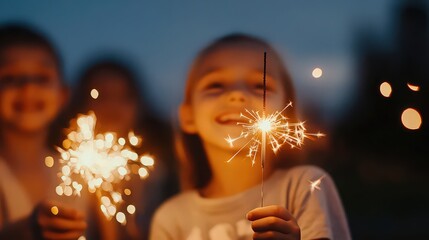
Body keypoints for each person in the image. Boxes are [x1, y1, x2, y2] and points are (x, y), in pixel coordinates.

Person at [150, 33, 351, 240]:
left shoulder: (304, 186)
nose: (237, 94)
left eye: (260, 86)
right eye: (215, 85)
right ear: (188, 116)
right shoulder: (170, 219)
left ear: (285, 114)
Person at [0, 23, 101, 239]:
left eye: (42, 78)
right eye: (9, 78)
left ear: (63, 94)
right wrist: (29, 230)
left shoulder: (80, 176)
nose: (29, 87)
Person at [68, 59, 180, 239]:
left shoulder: (162, 173)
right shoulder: (65, 176)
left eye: (124, 96)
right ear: (80, 103)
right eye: (101, 96)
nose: (113, 105)